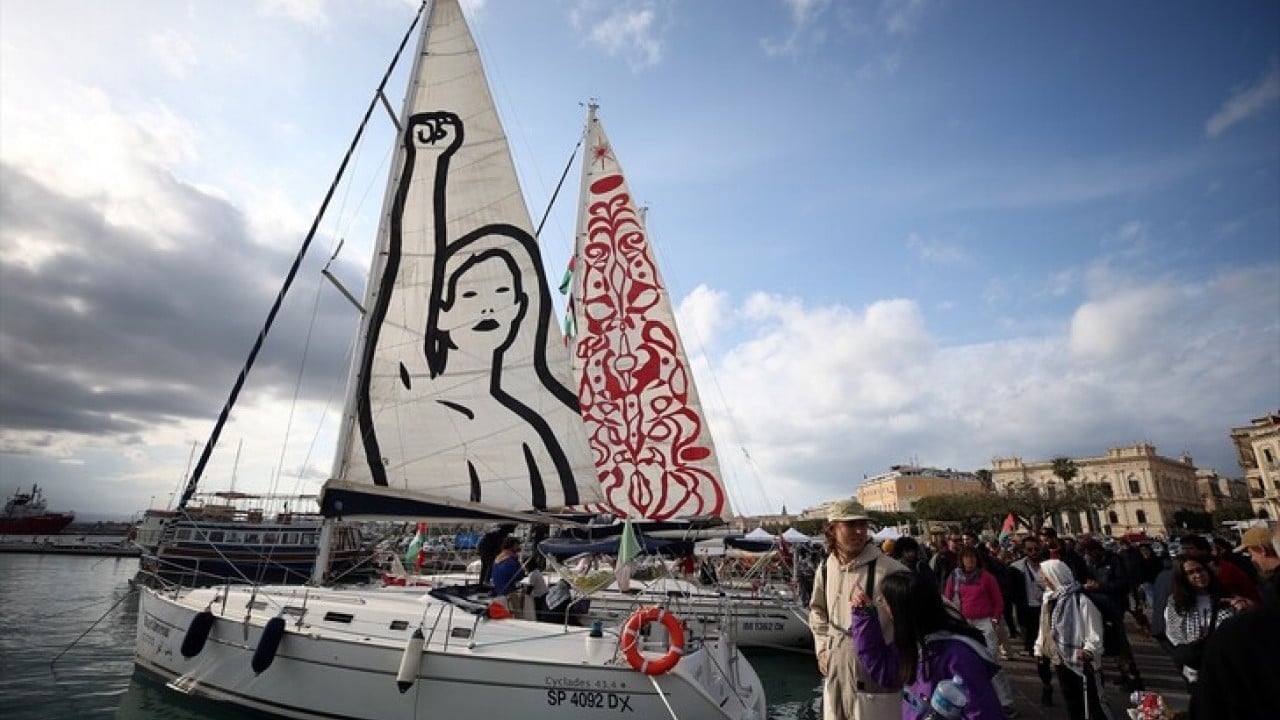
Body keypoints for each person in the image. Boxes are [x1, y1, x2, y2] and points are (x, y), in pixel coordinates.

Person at [849, 571, 1004, 720]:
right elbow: (884, 670)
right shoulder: (919, 645)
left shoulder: (958, 656)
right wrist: (864, 616)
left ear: (904, 610)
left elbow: (984, 712)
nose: (883, 607)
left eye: (885, 601)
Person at [808, 499, 908, 720]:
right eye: (851, 525)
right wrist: (822, 648)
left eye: (863, 524)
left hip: (874, 673)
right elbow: (817, 612)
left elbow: (930, 610)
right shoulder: (825, 568)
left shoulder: (891, 571)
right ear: (832, 529)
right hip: (834, 670)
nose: (860, 531)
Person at [1163, 554, 1248, 716]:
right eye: (1190, 573)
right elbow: (1173, 633)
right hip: (1197, 668)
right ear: (1182, 578)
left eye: (1200, 570)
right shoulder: (1176, 602)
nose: (1198, 576)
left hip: (1227, 665)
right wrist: (1191, 649)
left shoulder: (1226, 597)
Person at [1034, 559, 1115, 720]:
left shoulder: (1081, 600)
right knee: (1072, 702)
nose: (1043, 579)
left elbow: (1094, 631)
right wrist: (1039, 648)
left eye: (1045, 576)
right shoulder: (1049, 599)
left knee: (1095, 703)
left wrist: (1090, 650)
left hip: (1084, 662)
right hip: (1061, 659)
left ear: (1055, 576)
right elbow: (1044, 627)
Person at [942, 546, 1017, 716]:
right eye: (966, 558)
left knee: (991, 660)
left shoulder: (986, 577)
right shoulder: (954, 578)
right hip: (964, 623)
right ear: (961, 560)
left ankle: (1005, 701)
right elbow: (948, 600)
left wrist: (995, 619)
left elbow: (998, 600)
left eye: (973, 558)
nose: (970, 561)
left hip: (984, 622)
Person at [1008, 534, 1055, 706]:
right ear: (1023, 551)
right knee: (1039, 651)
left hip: (1050, 610)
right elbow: (1011, 592)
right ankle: (1046, 683)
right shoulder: (1016, 568)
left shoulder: (1050, 566)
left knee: (1054, 647)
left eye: (1036, 549)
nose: (1034, 552)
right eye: (1029, 550)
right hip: (1029, 613)